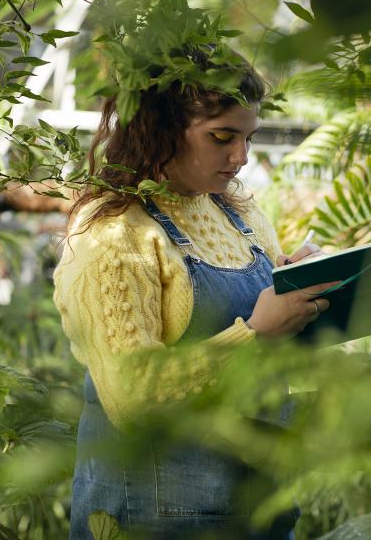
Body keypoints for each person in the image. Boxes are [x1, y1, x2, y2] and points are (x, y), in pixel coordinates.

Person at [53, 47, 333, 539]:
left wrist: (299, 293)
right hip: (154, 522)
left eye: (249, 137)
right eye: (222, 137)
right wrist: (255, 335)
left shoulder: (240, 214)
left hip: (258, 511)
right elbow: (130, 398)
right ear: (157, 129)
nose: (241, 157)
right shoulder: (115, 235)